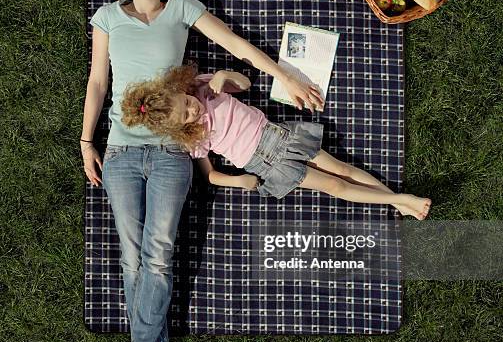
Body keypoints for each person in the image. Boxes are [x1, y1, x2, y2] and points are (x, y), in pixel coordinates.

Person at [81, 0, 324, 342]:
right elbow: (97, 83)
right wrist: (87, 141)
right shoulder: (107, 17)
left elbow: (235, 44)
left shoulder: (183, 10)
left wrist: (285, 76)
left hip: (174, 153)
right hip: (122, 151)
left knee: (158, 253)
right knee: (134, 255)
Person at [120, 64, 432, 218]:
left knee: (342, 169)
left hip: (278, 137)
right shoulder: (193, 139)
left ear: (181, 89)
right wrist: (240, 181)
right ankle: (398, 201)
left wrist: (222, 74)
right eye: (186, 116)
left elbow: (246, 83)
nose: (192, 109)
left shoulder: (204, 88)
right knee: (335, 187)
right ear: (179, 128)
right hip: (263, 164)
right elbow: (210, 175)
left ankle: (397, 200)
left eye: (186, 101)